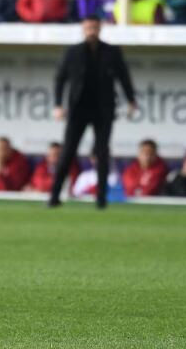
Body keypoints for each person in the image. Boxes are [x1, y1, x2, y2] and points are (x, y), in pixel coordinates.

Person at [49, 16, 137, 209]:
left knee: (102, 152)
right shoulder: (72, 52)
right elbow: (60, 79)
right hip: (78, 108)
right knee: (68, 152)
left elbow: (123, 76)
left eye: (95, 27)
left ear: (100, 28)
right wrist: (58, 104)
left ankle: (101, 198)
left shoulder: (111, 52)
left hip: (103, 108)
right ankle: (54, 196)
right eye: (88, 27)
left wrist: (131, 99)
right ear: (83, 29)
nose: (91, 31)